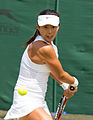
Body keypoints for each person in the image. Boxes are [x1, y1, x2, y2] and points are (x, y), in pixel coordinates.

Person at [4, 9, 78, 120]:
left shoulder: (51, 47)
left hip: (38, 99)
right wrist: (74, 82)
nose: (49, 32)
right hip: (26, 99)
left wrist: (65, 86)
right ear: (38, 26)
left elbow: (51, 71)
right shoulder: (44, 48)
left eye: (53, 27)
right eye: (45, 27)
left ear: (58, 27)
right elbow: (61, 75)